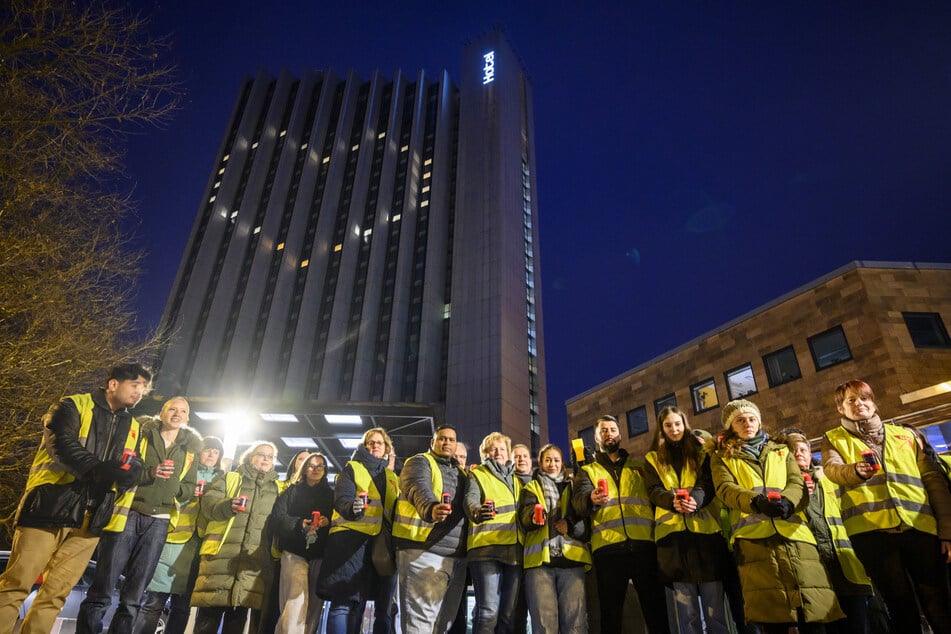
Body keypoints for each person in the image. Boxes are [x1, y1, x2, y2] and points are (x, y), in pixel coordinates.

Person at [0, 363, 150, 634]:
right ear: (113, 384)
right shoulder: (72, 405)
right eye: (135, 384)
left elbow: (136, 462)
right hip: (50, 507)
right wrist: (101, 470)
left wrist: (132, 473)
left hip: (92, 518)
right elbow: (62, 445)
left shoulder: (134, 426)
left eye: (144, 387)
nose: (139, 392)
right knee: (16, 584)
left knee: (56, 595)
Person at [822, 380, 951, 634]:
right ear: (840, 409)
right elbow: (832, 469)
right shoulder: (833, 438)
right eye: (851, 400)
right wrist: (855, 471)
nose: (859, 404)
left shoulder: (904, 435)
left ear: (873, 402)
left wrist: (946, 531)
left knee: (939, 604)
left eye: (864, 398)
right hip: (872, 535)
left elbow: (933, 482)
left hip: (920, 529)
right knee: (900, 607)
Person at [712, 399, 843, 633]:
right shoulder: (722, 456)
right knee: (773, 615)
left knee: (812, 609)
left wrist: (789, 502)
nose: (747, 423)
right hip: (754, 538)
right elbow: (725, 488)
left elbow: (796, 481)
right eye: (740, 420)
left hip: (794, 533)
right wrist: (755, 501)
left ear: (759, 421)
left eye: (751, 419)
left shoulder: (781, 450)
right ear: (731, 426)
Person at [77, 397, 201, 633]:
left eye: (183, 411)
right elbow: (122, 468)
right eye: (172, 409)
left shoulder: (190, 451)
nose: (177, 414)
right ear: (161, 412)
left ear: (187, 418)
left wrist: (174, 489)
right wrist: (150, 473)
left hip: (159, 523)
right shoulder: (141, 436)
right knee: (102, 589)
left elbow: (189, 487)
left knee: (134, 597)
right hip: (128, 513)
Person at [572, 415, 669, 634]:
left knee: (657, 614)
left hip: (644, 547)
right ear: (596, 438)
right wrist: (590, 499)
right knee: (610, 616)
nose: (609, 434)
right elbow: (577, 503)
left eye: (612, 430)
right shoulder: (587, 471)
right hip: (608, 549)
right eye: (603, 430)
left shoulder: (640, 467)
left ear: (620, 434)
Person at [644, 406, 730, 633]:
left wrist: (696, 500)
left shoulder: (701, 452)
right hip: (673, 540)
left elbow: (708, 482)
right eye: (668, 425)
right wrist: (672, 501)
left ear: (685, 424)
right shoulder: (652, 458)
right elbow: (653, 490)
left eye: (677, 424)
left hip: (705, 535)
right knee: (687, 614)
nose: (674, 429)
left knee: (714, 611)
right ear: (661, 429)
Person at [782, 432, 873, 634]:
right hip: (812, 577)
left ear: (810, 453)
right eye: (793, 451)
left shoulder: (830, 479)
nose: (799, 454)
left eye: (803, 450)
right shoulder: (782, 487)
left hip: (847, 569)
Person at [133, 436, 225, 634]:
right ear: (199, 452)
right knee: (154, 603)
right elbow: (168, 497)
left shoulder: (222, 479)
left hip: (198, 547)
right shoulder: (185, 470)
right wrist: (188, 495)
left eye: (216, 452)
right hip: (171, 542)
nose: (211, 455)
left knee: (182, 608)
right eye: (208, 450)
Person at [191, 441, 284, 634]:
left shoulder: (278, 489)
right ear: (250, 457)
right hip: (220, 561)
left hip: (252, 564)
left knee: (237, 620)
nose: (266, 459)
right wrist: (227, 506)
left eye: (270, 456)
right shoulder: (231, 478)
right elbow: (208, 505)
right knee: (207, 621)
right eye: (261, 454)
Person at [317, 428, 400, 634]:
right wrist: (352, 508)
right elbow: (342, 499)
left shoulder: (391, 477)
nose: (375, 445)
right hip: (348, 542)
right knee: (344, 603)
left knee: (359, 603)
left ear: (386, 448)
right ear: (364, 446)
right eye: (371, 442)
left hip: (377, 545)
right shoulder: (352, 468)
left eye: (379, 442)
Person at [393, 425, 469, 634]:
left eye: (451, 440)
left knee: (442, 625)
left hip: (455, 557)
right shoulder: (419, 462)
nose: (447, 443)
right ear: (432, 442)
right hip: (423, 551)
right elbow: (418, 487)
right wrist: (431, 508)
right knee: (419, 624)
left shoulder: (461, 473)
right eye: (442, 438)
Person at [517, 444, 590, 634]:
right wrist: (533, 518)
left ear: (562, 463)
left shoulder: (574, 486)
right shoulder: (531, 487)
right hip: (540, 564)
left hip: (572, 562)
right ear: (540, 463)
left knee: (576, 625)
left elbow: (585, 516)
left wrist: (570, 524)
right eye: (547, 460)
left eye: (556, 460)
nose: (552, 464)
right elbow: (524, 516)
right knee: (544, 625)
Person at [464, 432, 523, 634]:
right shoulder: (477, 474)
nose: (498, 452)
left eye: (502, 449)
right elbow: (470, 500)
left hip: (514, 552)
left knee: (508, 614)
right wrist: (478, 511)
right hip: (485, 550)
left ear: (508, 453)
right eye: (493, 449)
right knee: (488, 612)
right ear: (485, 454)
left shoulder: (516, 480)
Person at [272, 452, 334, 634]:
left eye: (320, 466)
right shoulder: (291, 491)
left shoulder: (331, 495)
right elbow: (278, 518)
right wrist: (299, 524)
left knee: (314, 607)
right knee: (295, 601)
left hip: (319, 554)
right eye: (311, 466)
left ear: (325, 470)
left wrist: (327, 521)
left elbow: (337, 521)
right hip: (294, 551)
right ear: (304, 468)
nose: (315, 469)